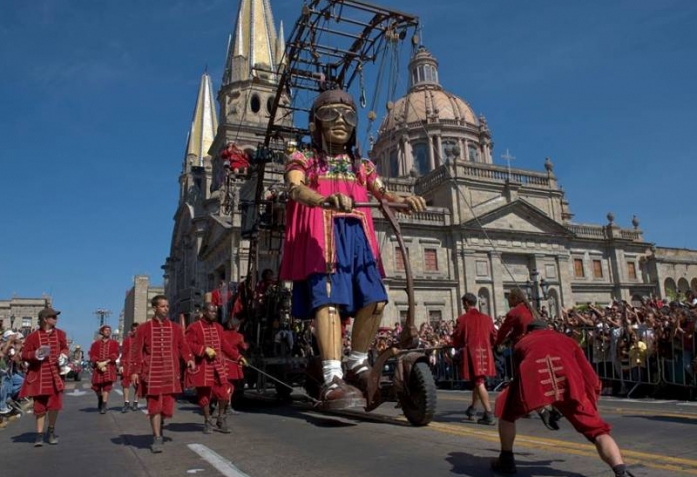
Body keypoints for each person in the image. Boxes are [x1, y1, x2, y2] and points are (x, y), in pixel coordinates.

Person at [279, 88, 426, 409]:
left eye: (348, 116)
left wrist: (405, 201)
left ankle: (358, 361)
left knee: (375, 300)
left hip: (359, 236)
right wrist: (322, 200)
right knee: (328, 301)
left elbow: (384, 194)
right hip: (323, 237)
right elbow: (294, 187)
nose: (341, 122)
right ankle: (332, 376)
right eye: (330, 114)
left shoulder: (362, 165)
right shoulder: (304, 158)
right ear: (316, 123)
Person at [492, 321, 635, 477]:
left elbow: (523, 376)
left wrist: (536, 403)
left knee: (506, 411)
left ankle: (507, 459)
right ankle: (621, 471)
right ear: (549, 328)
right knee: (598, 431)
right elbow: (588, 373)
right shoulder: (567, 340)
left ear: (528, 332)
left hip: (538, 387)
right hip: (569, 387)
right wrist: (591, 398)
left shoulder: (522, 343)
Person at [131, 295, 194, 453]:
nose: (166, 308)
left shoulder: (176, 328)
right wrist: (134, 372)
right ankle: (157, 437)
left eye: (167, 306)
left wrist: (189, 359)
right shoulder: (143, 328)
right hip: (151, 373)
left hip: (170, 372)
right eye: (163, 306)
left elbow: (183, 346)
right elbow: (137, 351)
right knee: (154, 407)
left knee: (166, 408)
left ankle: (160, 423)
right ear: (155, 308)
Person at [185, 303, 240, 434]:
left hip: (217, 365)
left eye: (215, 312)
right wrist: (204, 350)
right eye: (211, 311)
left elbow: (225, 346)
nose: (213, 314)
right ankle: (207, 421)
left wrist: (238, 357)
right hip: (203, 366)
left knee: (224, 393)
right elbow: (187, 343)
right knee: (204, 396)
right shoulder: (194, 327)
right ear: (204, 311)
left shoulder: (219, 328)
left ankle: (221, 419)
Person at [19, 307, 69, 447]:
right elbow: (24, 355)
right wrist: (35, 354)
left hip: (55, 375)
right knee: (39, 407)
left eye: (56, 317)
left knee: (54, 406)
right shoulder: (33, 336)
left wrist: (63, 355)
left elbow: (65, 348)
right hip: (39, 376)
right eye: (53, 317)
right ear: (45, 319)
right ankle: (39, 434)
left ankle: (51, 431)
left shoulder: (60, 334)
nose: (56, 319)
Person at [451, 293, 497, 425]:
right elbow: (494, 336)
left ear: (466, 303)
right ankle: (473, 409)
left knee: (478, 381)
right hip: (486, 353)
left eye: (463, 304)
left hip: (472, 353)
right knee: (477, 382)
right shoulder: (487, 319)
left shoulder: (463, 319)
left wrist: (453, 345)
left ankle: (488, 414)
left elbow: (457, 337)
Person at [89, 324, 119, 414]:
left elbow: (115, 354)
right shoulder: (95, 344)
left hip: (109, 366)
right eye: (106, 330)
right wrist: (98, 363)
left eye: (109, 330)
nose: (108, 331)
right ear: (102, 332)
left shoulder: (114, 343)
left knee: (107, 386)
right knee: (96, 386)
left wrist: (106, 362)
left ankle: (104, 405)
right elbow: (92, 354)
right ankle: (100, 399)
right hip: (98, 367)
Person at [222, 317, 248, 413]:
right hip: (232, 364)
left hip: (222, 363)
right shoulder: (239, 336)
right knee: (231, 386)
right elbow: (244, 347)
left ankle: (222, 405)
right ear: (237, 326)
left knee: (224, 385)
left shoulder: (223, 334)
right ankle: (227, 405)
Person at [119, 323, 139, 412]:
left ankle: (135, 402)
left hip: (138, 365)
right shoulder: (127, 340)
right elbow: (124, 353)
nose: (136, 331)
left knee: (138, 384)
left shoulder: (143, 340)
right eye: (134, 329)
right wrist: (121, 365)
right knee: (125, 384)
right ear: (132, 330)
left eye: (137, 329)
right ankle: (126, 402)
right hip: (127, 364)